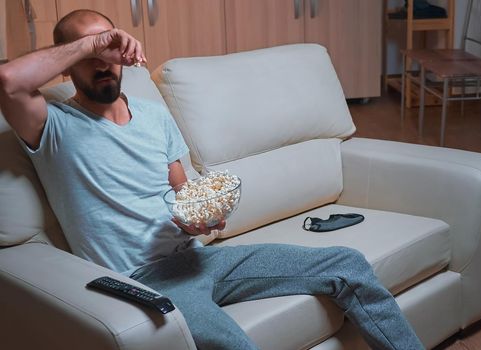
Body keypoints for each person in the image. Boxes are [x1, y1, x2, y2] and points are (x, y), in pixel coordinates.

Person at [0, 9, 425, 350]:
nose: (103, 63)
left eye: (110, 49)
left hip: (200, 258)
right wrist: (92, 42)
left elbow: (184, 191)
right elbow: (9, 80)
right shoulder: (53, 127)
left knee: (346, 264)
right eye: (89, 54)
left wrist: (204, 217)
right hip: (142, 278)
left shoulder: (153, 116)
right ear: (67, 61)